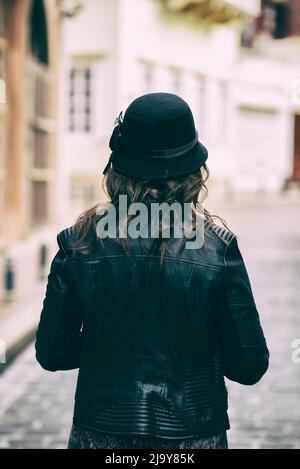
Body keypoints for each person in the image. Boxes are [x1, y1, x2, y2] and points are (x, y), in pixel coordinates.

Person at [35, 92, 269, 449]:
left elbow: (53, 353)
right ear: (193, 171)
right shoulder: (217, 248)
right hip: (191, 438)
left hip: (100, 435)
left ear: (118, 167)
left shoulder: (78, 243)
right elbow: (249, 365)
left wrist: (109, 344)